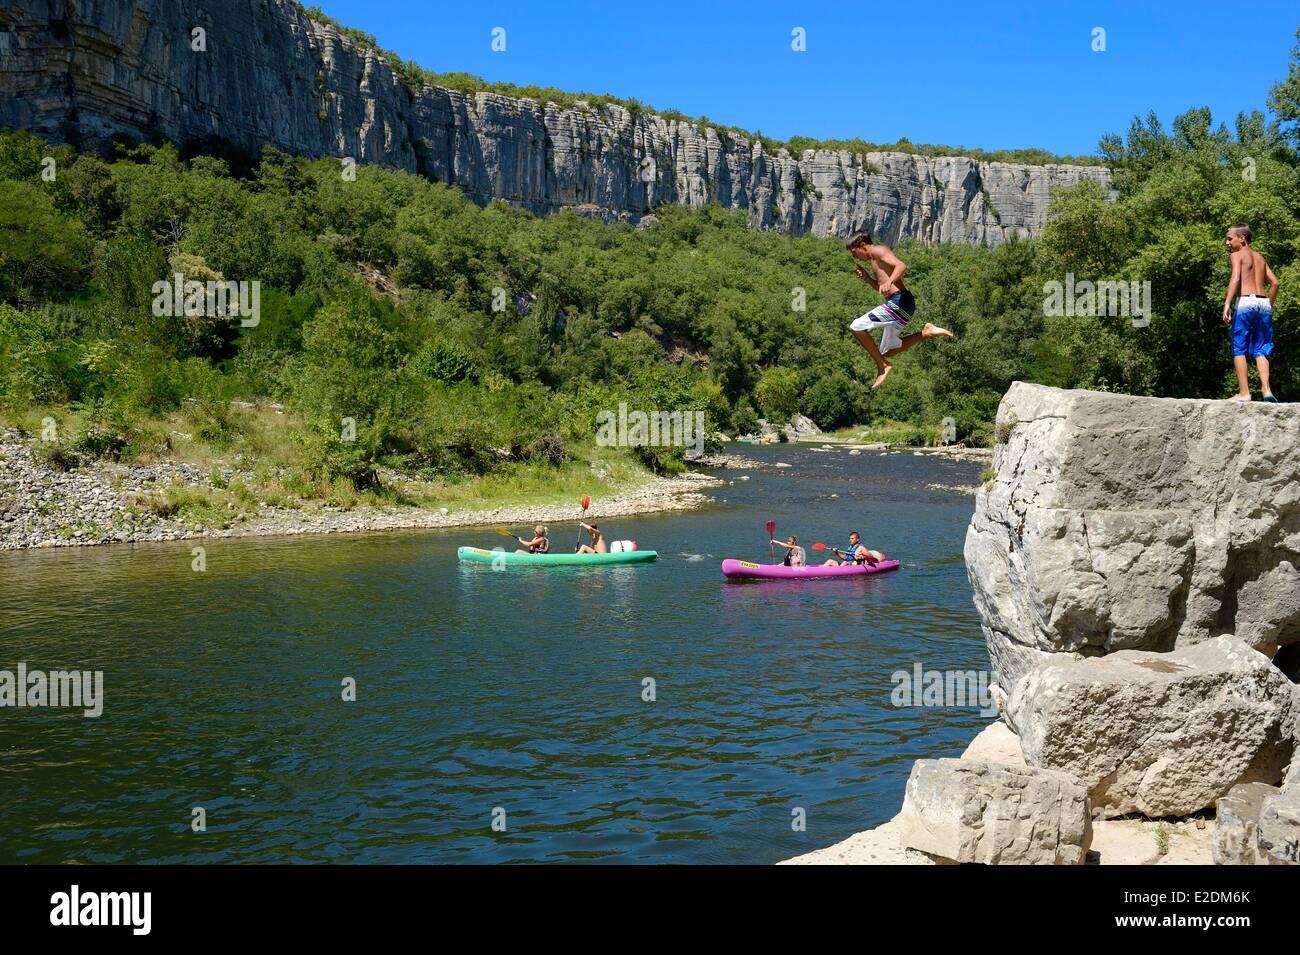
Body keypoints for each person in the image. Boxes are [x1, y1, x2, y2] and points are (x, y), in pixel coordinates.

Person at [844, 230, 954, 389]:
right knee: (888, 350)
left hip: (900, 302)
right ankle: (926, 333)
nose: (855, 257)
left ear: (862, 245)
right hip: (903, 305)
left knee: (856, 326)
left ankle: (882, 366)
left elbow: (901, 265)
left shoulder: (879, 251)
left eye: (855, 252)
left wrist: (890, 280)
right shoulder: (873, 260)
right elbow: (883, 288)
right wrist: (868, 279)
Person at [1222, 223, 1279, 402]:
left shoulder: (1236, 255)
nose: (1227, 242)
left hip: (1246, 301)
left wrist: (1227, 303)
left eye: (1230, 238)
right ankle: (1266, 391)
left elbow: (1236, 278)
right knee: (1261, 349)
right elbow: (1275, 283)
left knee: (1239, 348)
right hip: (1263, 303)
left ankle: (1244, 393)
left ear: (1242, 238)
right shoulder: (1260, 257)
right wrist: (1269, 303)